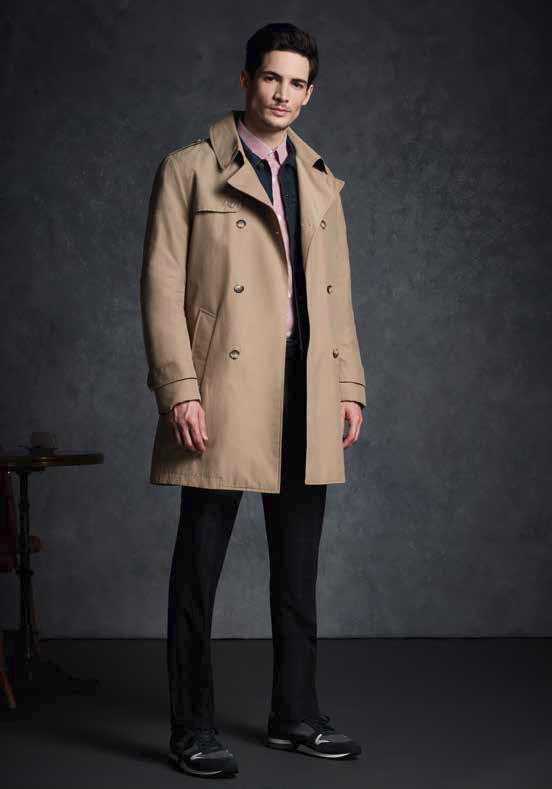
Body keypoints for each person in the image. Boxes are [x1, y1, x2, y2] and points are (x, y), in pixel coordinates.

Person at [140, 22, 366, 779]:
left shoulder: (321, 180)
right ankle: (192, 727)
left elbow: (335, 296)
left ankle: (295, 714)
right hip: (224, 389)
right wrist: (179, 388)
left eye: (298, 83)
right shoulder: (189, 169)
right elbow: (161, 288)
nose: (283, 94)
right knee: (198, 571)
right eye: (272, 78)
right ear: (246, 80)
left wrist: (349, 385)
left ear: (310, 92)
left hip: (307, 386)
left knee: (298, 569)